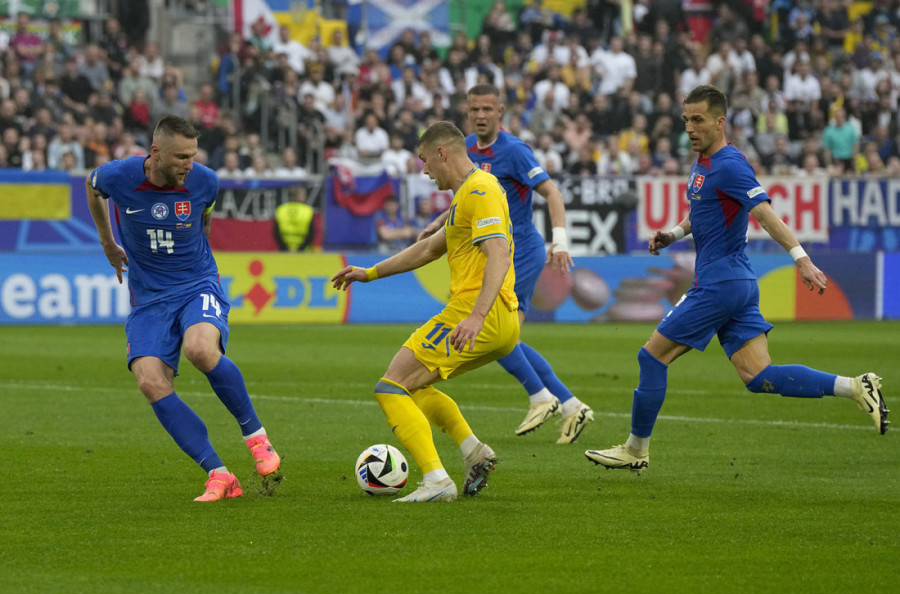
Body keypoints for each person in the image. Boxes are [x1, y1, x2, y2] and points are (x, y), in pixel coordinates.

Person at [585, 85, 889, 473]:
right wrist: (673, 235)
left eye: (698, 120)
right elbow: (702, 212)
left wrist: (802, 260)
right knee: (758, 376)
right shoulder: (703, 164)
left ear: (719, 121)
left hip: (719, 283)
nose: (690, 128)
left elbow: (764, 214)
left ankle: (635, 449)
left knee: (652, 356)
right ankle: (855, 385)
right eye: (686, 120)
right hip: (738, 283)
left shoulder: (729, 164)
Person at [85, 115, 282, 501]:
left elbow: (203, 222)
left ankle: (257, 437)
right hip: (149, 297)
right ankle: (219, 474)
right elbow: (92, 188)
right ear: (155, 152)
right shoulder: (119, 176)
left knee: (200, 349)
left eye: (192, 156)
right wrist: (108, 243)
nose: (188, 165)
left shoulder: (205, 180)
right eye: (180, 158)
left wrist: (201, 264)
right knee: (149, 380)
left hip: (196, 284)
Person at [331, 120, 518, 502]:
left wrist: (476, 315)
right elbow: (430, 248)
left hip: (478, 311)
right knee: (415, 386)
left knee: (390, 386)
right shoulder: (470, 191)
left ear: (442, 153)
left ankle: (436, 480)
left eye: (424, 160)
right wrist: (369, 273)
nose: (424, 170)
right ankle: (474, 451)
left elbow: (498, 251)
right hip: (499, 319)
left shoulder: (480, 189)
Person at [418, 84, 593, 443]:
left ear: (500, 111)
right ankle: (571, 405)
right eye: (474, 110)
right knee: (503, 335)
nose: (480, 116)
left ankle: (542, 397)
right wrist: (440, 223)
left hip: (519, 250)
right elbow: (465, 196)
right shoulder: (461, 147)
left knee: (495, 332)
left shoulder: (514, 151)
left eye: (487, 109)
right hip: (488, 251)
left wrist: (560, 241)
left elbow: (552, 193)